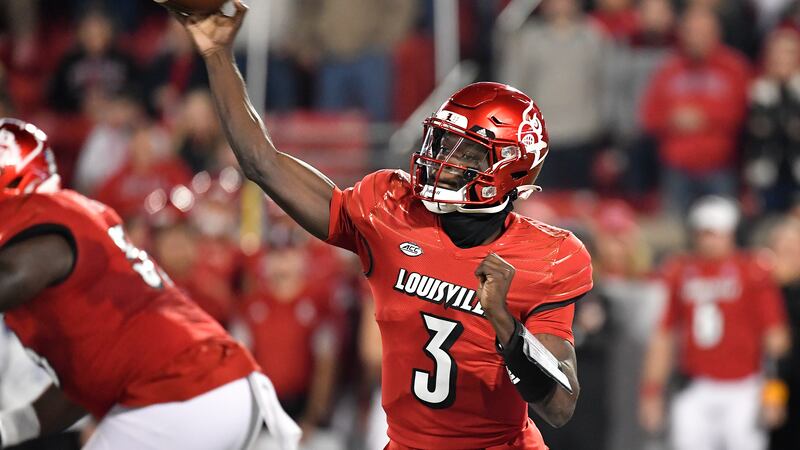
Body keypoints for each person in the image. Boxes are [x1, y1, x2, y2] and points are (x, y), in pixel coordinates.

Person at [172, 2, 593, 449]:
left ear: (513, 169)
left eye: (466, 153)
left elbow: (560, 405)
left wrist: (506, 327)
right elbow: (262, 163)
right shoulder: (389, 209)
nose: (443, 163)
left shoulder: (548, 255)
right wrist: (217, 54)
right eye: (442, 143)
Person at [0, 118, 300, 449]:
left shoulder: (44, 227)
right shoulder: (73, 225)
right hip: (219, 388)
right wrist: (9, 428)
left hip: (183, 394)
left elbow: (15, 275)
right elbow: (86, 385)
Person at [639, 196, 790, 450]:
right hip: (696, 385)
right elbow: (663, 336)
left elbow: (775, 339)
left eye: (715, 233)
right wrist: (651, 391)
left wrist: (774, 392)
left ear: (731, 233)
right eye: (703, 233)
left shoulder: (752, 269)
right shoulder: (679, 271)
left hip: (745, 387)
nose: (708, 240)